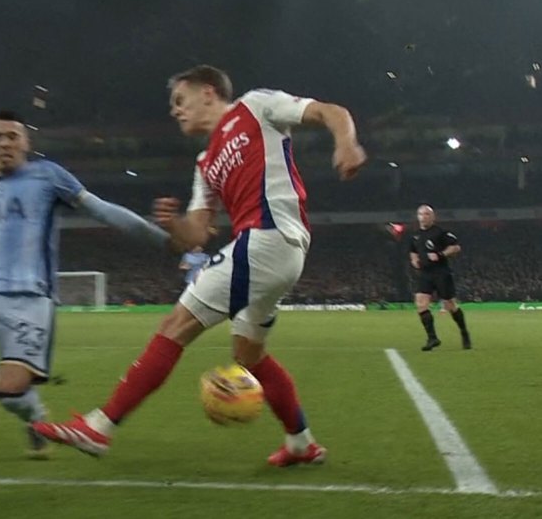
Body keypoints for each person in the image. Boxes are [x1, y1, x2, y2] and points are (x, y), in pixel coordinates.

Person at [33, 65, 367, 467]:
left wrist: (346, 144)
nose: (175, 111)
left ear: (208, 92)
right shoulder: (205, 162)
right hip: (272, 249)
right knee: (249, 356)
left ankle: (99, 427)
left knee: (176, 325)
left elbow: (332, 111)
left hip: (268, 236)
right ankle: (301, 443)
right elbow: (194, 235)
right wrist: (173, 224)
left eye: (180, 100)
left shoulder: (255, 106)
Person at [0, 110, 172, 478]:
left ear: (26, 142)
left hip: (30, 299)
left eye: (12, 136)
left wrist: (163, 240)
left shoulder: (48, 176)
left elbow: (102, 210)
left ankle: (34, 416)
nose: (5, 143)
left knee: (9, 392)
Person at [409, 205, 471, 351]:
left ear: (432, 217)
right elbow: (413, 251)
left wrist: (440, 255)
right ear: (417, 216)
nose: (423, 217)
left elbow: (455, 247)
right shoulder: (415, 236)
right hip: (425, 274)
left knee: (450, 306)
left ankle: (464, 332)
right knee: (420, 304)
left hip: (441, 272)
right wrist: (414, 261)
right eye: (421, 214)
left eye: (426, 214)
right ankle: (432, 338)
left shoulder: (441, 233)